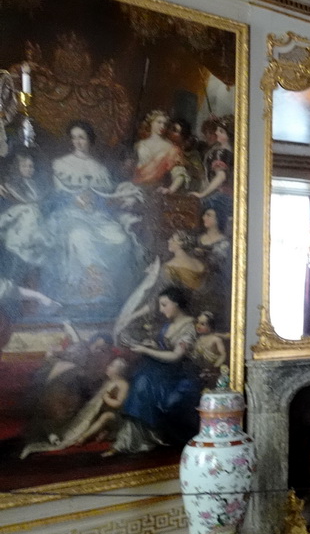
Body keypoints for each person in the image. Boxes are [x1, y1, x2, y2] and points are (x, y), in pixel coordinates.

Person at [45, 120, 143, 312]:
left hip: (98, 217)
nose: (77, 142)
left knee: (121, 239)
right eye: (74, 138)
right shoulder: (61, 164)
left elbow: (107, 197)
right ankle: (85, 289)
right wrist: (74, 201)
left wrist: (103, 202)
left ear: (89, 140)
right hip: (69, 215)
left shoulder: (100, 169)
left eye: (81, 137)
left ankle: (108, 289)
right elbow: (55, 195)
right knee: (78, 235)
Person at [109, 286, 201, 454]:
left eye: (164, 304)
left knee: (144, 379)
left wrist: (146, 350)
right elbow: (164, 348)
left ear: (176, 304)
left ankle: (138, 438)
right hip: (165, 372)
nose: (161, 309)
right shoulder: (168, 326)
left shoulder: (189, 327)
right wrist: (152, 345)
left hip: (181, 376)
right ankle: (134, 438)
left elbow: (175, 356)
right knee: (142, 378)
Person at [55, 357, 130, 449]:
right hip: (103, 411)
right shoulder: (108, 382)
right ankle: (105, 432)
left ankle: (84, 437)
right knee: (89, 417)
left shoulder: (123, 384)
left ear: (119, 371)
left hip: (119, 416)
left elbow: (119, 404)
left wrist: (105, 398)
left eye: (112, 366)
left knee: (106, 416)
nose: (108, 367)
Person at [133, 110, 188, 194]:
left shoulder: (171, 149)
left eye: (165, 124)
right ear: (151, 122)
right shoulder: (139, 145)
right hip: (135, 186)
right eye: (159, 122)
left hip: (154, 191)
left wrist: (170, 189)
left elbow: (180, 174)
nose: (162, 126)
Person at [193, 309, 227, 388]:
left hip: (212, 371)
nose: (198, 326)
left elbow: (223, 354)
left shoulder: (216, 339)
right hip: (200, 370)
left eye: (202, 324)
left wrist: (215, 367)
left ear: (210, 326)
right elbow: (195, 355)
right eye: (197, 322)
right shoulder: (198, 340)